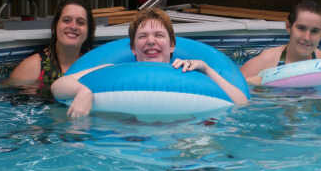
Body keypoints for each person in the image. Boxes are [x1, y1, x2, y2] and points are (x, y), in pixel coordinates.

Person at [51, 8, 248, 118]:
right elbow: (58, 86)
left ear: (171, 45)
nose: (151, 41)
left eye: (159, 35)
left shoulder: (190, 71)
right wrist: (83, 91)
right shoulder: (113, 71)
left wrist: (206, 68)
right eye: (143, 36)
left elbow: (241, 102)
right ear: (133, 48)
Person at [0, 0, 96, 91]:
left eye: (80, 22)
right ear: (55, 27)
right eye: (66, 20)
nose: (73, 26)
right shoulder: (34, 66)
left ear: (89, 31)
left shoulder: (93, 63)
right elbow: (4, 88)